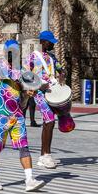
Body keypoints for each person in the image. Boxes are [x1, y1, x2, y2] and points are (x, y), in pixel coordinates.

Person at [0, 28, 45, 192]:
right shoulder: (0, 67)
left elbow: (24, 98)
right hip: (0, 114)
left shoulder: (21, 71)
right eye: (11, 51)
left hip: (17, 115)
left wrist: (28, 93)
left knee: (23, 146)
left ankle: (29, 180)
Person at [25, 31, 64, 169]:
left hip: (52, 92)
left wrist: (61, 78)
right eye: (50, 41)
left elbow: (61, 70)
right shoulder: (33, 57)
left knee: (50, 122)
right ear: (42, 42)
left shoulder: (52, 57)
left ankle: (44, 155)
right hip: (39, 93)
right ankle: (46, 155)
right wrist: (34, 85)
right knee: (50, 120)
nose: (52, 44)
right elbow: (26, 75)